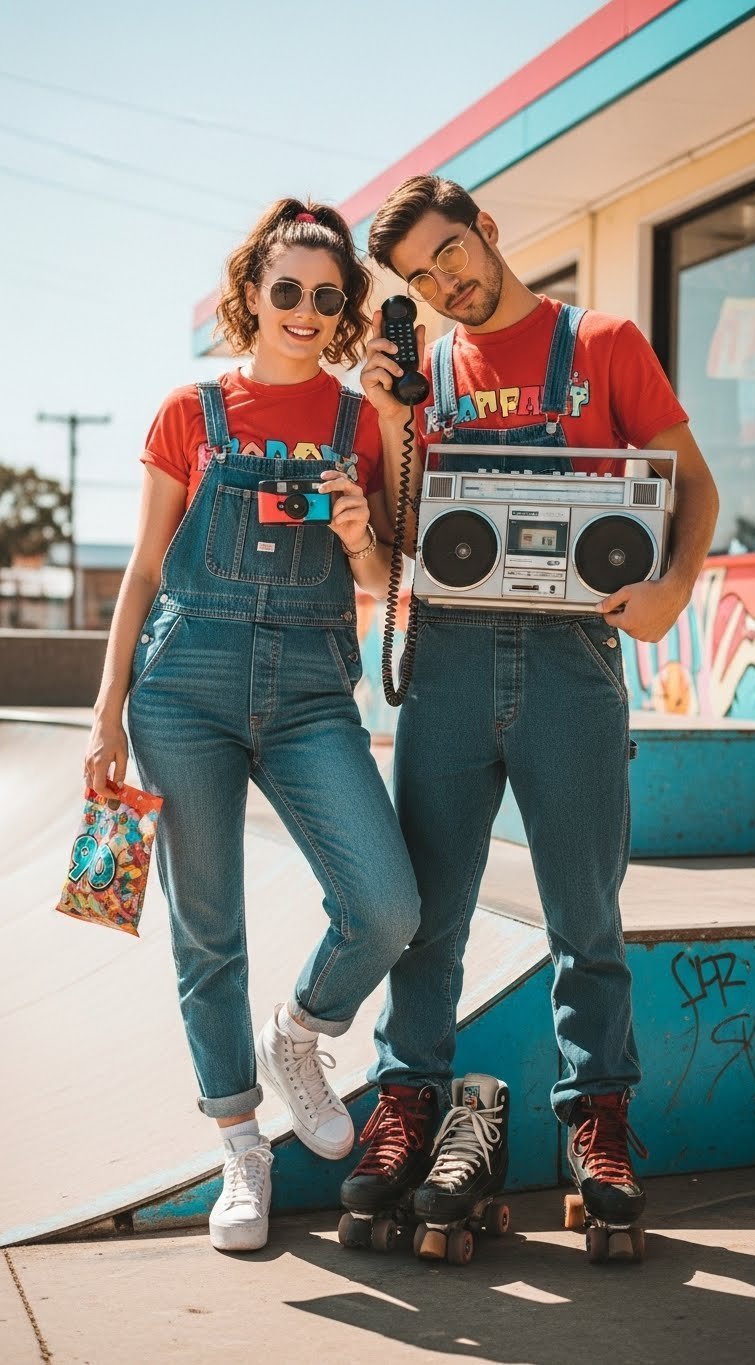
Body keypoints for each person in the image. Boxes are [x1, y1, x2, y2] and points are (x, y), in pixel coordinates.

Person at [340, 175, 719, 1229]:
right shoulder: (423, 374)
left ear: (487, 230)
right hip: (449, 661)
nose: (441, 282)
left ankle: (597, 1124)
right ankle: (405, 1105)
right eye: (416, 276)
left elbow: (694, 483)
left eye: (448, 254)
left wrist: (674, 591)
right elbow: (397, 539)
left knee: (586, 919)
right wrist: (388, 412)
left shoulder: (601, 341)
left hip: (574, 660)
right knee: (428, 917)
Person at [84, 198, 421, 1254]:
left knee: (387, 902)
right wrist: (104, 719)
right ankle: (243, 1152)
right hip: (183, 689)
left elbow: (378, 577)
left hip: (315, 691)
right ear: (252, 295)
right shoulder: (189, 413)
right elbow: (142, 572)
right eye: (289, 292)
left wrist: (367, 533)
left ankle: (303, 1032)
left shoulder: (360, 423)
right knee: (207, 934)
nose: (308, 312)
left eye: (329, 297)